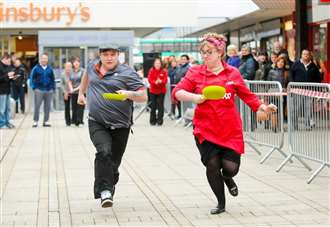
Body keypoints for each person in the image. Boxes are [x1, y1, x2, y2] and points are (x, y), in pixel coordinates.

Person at [172, 32, 277, 215]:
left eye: (209, 52)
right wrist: (195, 97)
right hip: (205, 129)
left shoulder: (233, 73)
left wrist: (262, 107)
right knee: (212, 166)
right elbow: (178, 92)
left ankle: (228, 179)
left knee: (231, 168)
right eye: (202, 52)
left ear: (220, 52)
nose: (205, 55)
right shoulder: (195, 71)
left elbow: (247, 96)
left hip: (230, 129)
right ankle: (221, 203)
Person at [77, 43, 147, 208]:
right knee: (104, 152)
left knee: (113, 163)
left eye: (113, 55)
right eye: (106, 54)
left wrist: (129, 94)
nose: (109, 58)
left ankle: (110, 180)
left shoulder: (127, 72)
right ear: (100, 55)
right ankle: (105, 192)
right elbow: (86, 77)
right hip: (97, 121)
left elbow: (143, 96)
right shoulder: (92, 67)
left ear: (118, 56)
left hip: (121, 125)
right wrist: (81, 93)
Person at [30, 53, 55, 127]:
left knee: (47, 106)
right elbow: (32, 78)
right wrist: (34, 88)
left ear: (47, 60)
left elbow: (52, 79)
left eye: (45, 58)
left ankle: (46, 121)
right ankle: (35, 121)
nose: (44, 60)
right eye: (43, 58)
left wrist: (52, 88)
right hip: (39, 90)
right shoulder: (36, 68)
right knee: (37, 106)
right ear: (40, 59)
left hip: (48, 90)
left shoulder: (50, 68)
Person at [147, 58, 168, 125]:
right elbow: (149, 79)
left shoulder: (164, 71)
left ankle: (160, 121)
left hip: (161, 91)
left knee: (160, 106)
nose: (157, 65)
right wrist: (155, 82)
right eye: (156, 63)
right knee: (153, 106)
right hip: (153, 91)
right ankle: (152, 121)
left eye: (159, 63)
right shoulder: (151, 70)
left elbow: (165, 80)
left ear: (161, 64)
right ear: (154, 64)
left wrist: (161, 81)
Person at [0, 53, 15, 129]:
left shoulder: (8, 67)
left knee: (8, 108)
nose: (9, 62)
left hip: (8, 90)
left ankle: (7, 122)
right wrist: (7, 75)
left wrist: (13, 77)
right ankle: (2, 124)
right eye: (8, 61)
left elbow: (9, 78)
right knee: (2, 109)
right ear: (4, 59)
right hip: (1, 91)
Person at [70, 57, 85, 126]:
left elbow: (83, 82)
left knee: (80, 107)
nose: (76, 63)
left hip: (81, 91)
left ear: (79, 63)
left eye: (77, 62)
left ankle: (80, 121)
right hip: (73, 92)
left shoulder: (82, 71)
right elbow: (69, 81)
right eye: (75, 62)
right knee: (74, 107)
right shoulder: (71, 71)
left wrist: (75, 89)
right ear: (73, 63)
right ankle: (74, 121)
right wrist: (71, 89)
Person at [61, 62, 73, 126]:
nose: (68, 68)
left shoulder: (73, 74)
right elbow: (61, 84)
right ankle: (68, 121)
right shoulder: (63, 74)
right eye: (67, 66)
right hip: (65, 93)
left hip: (73, 92)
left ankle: (74, 120)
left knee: (74, 106)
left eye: (69, 66)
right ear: (65, 67)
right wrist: (65, 91)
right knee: (67, 107)